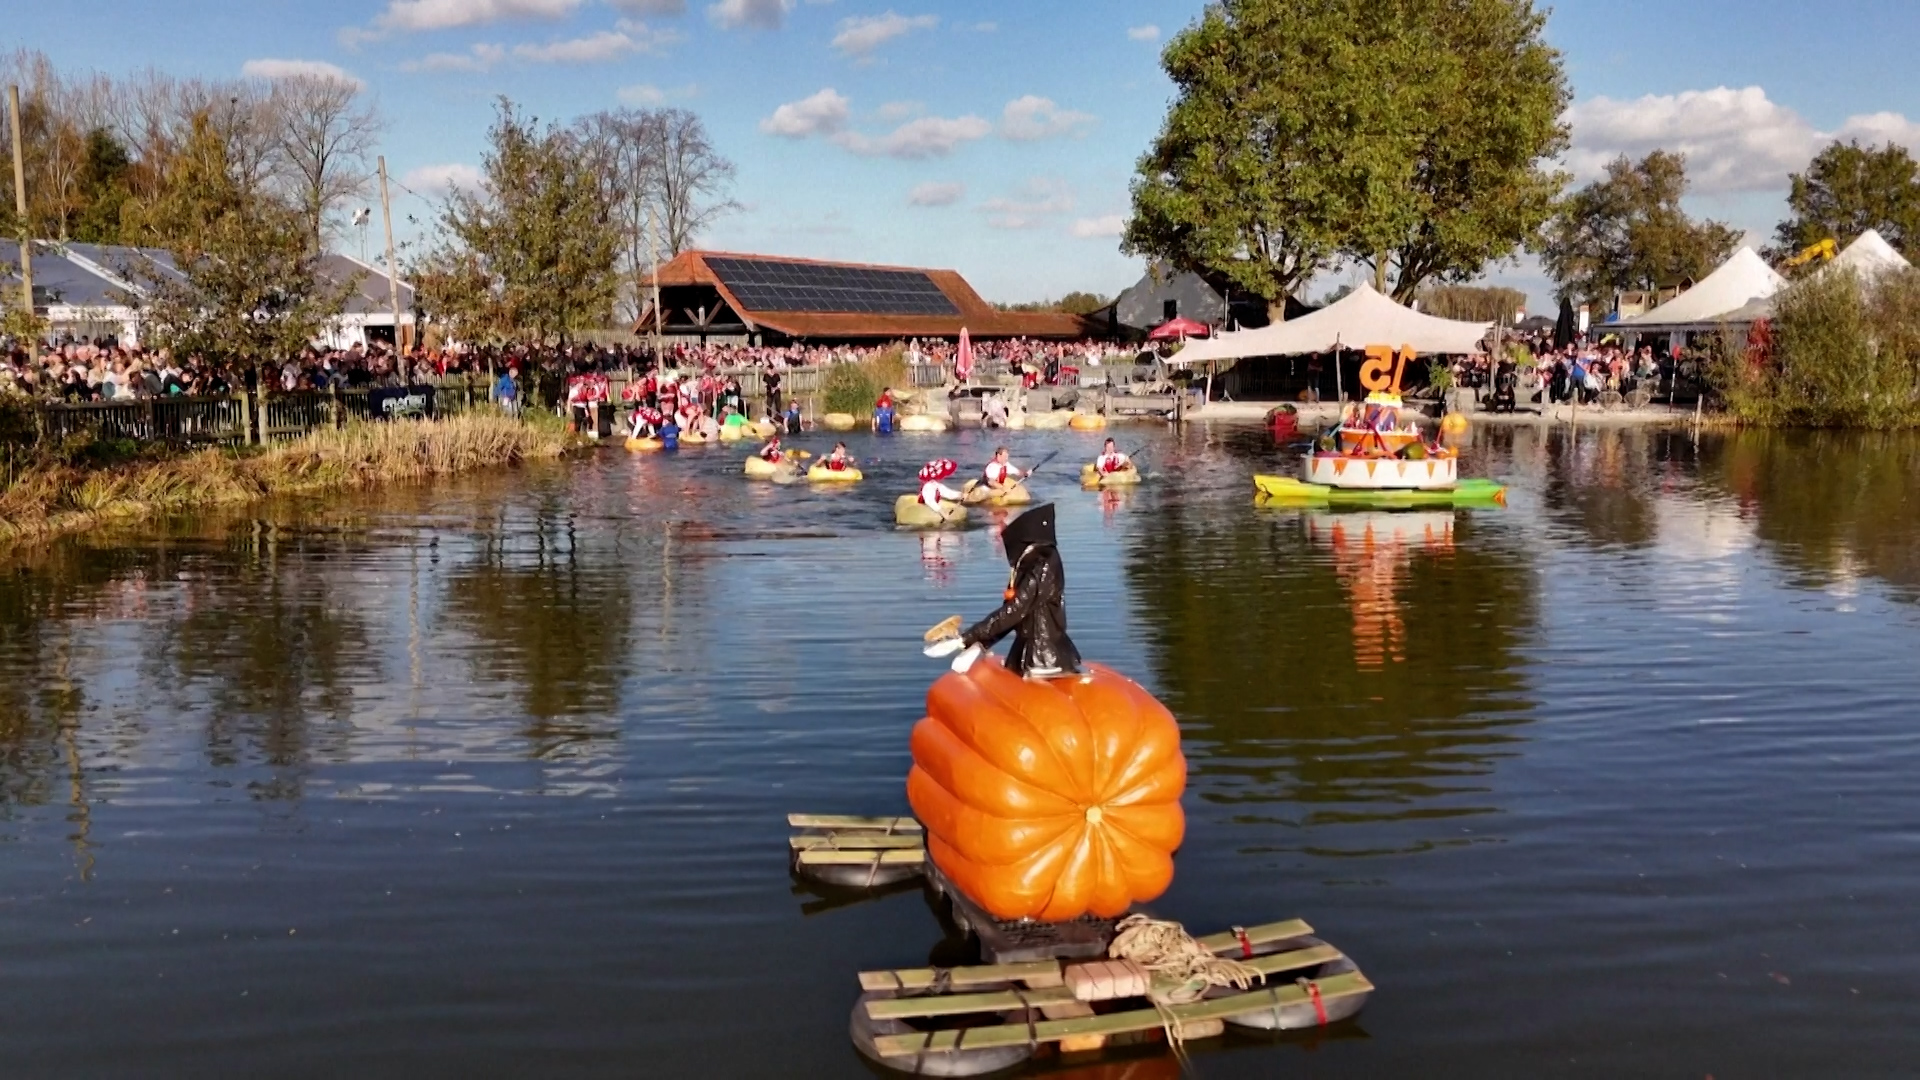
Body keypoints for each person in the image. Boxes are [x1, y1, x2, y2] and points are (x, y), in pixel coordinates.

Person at [923, 504, 1080, 679]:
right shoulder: (1030, 562)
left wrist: (965, 639)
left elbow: (1014, 610)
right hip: (1031, 652)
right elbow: (1012, 613)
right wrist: (980, 643)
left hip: (1041, 656)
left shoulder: (1041, 564)